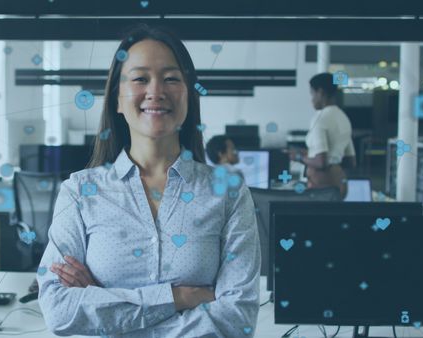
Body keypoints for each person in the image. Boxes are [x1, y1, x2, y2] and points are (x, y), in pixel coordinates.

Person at [36, 24, 261, 337]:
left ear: (189, 95)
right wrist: (180, 298)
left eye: (171, 78)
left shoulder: (229, 193)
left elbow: (237, 319)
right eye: (140, 78)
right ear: (116, 98)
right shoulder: (79, 192)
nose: (156, 91)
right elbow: (59, 311)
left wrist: (105, 304)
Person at [291, 72, 356, 198]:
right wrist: (309, 154)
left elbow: (321, 162)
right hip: (340, 185)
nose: (312, 99)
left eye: (312, 94)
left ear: (320, 93)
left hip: (321, 187)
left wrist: (298, 157)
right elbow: (350, 161)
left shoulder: (320, 118)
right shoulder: (343, 118)